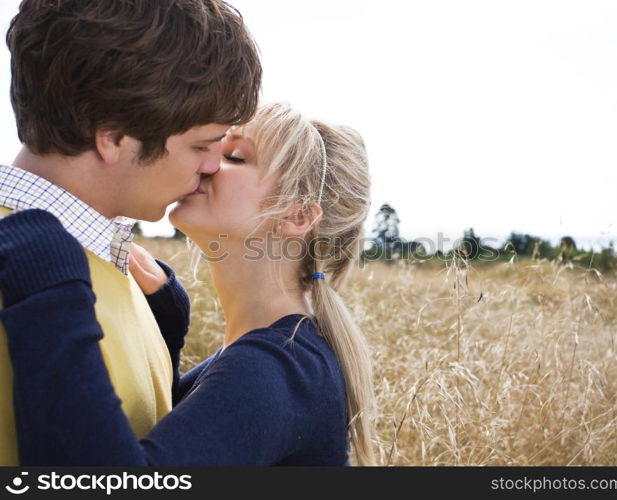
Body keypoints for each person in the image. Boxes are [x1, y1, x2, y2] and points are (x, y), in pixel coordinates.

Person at [0, 102, 377, 466]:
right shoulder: (276, 354)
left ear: (296, 216)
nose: (208, 163)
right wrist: (167, 330)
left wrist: (48, 284)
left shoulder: (279, 369)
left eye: (235, 157)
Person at [0, 0, 261, 465]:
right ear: (113, 137)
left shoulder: (125, 270)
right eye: (201, 145)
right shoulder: (28, 276)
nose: (212, 166)